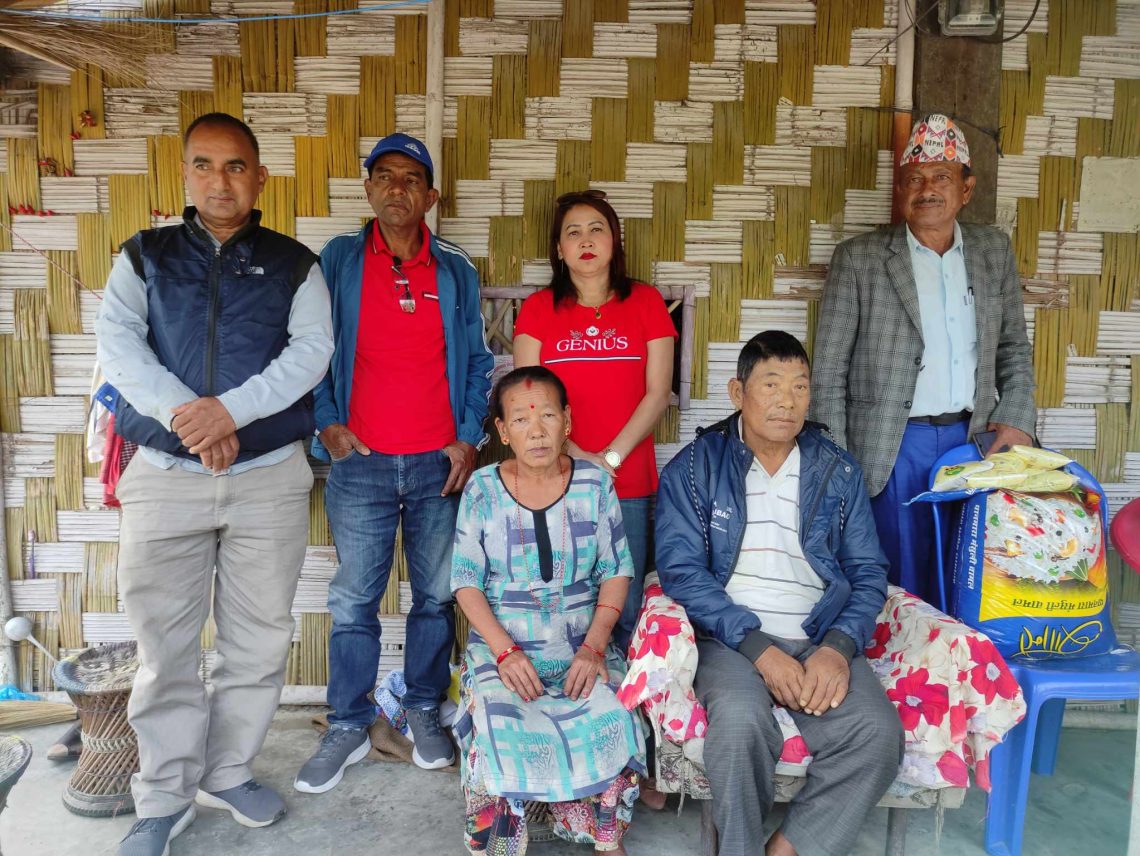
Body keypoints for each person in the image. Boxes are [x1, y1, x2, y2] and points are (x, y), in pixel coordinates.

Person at [95, 112, 334, 856]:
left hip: (268, 477)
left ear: (260, 177)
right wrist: (190, 418)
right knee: (164, 647)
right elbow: (119, 347)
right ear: (184, 174)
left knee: (257, 640)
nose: (219, 180)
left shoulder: (296, 264)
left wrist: (230, 412)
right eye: (204, 164)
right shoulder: (145, 256)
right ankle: (163, 796)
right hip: (165, 476)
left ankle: (228, 771)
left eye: (235, 166)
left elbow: (312, 353)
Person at [295, 132, 494, 793]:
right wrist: (327, 423)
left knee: (436, 596)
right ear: (369, 189)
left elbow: (479, 363)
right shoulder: (340, 260)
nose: (398, 188)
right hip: (361, 463)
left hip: (440, 466)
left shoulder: (455, 270)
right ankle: (349, 722)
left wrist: (467, 438)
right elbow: (313, 350)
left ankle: (422, 709)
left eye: (412, 178)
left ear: (431, 196)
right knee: (355, 598)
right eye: (385, 175)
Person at [655, 331, 903, 856]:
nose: (786, 401)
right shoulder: (695, 469)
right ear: (737, 392)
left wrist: (838, 647)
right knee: (740, 725)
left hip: (818, 633)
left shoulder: (837, 471)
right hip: (731, 639)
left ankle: (784, 850)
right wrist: (759, 650)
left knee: (877, 736)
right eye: (771, 384)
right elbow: (682, 572)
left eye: (799, 386)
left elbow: (867, 570)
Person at [811, 113, 1037, 603]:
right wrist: (838, 464)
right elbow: (827, 371)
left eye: (941, 177)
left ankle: (962, 655)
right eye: (914, 179)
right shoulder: (860, 258)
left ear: (966, 189)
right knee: (899, 583)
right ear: (900, 190)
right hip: (890, 448)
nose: (927, 189)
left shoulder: (993, 251)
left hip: (974, 442)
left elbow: (1014, 347)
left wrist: (1017, 419)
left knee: (971, 576)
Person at [452, 366, 646, 855]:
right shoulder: (482, 489)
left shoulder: (594, 485)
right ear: (502, 431)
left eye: (548, 417)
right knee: (498, 722)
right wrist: (505, 652)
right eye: (520, 419)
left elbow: (617, 570)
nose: (536, 431)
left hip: (582, 645)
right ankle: (500, 845)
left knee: (614, 713)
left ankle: (605, 836)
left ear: (568, 422)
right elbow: (466, 582)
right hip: (504, 651)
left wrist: (594, 646)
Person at [512, 189, 676, 651]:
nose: (585, 240)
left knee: (623, 600)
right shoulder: (539, 309)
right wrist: (578, 456)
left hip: (628, 480)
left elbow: (658, 392)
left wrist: (610, 459)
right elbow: (527, 400)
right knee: (558, 594)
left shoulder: (645, 302)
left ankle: (619, 687)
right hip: (553, 476)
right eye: (573, 232)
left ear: (614, 240)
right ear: (559, 249)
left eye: (596, 229)